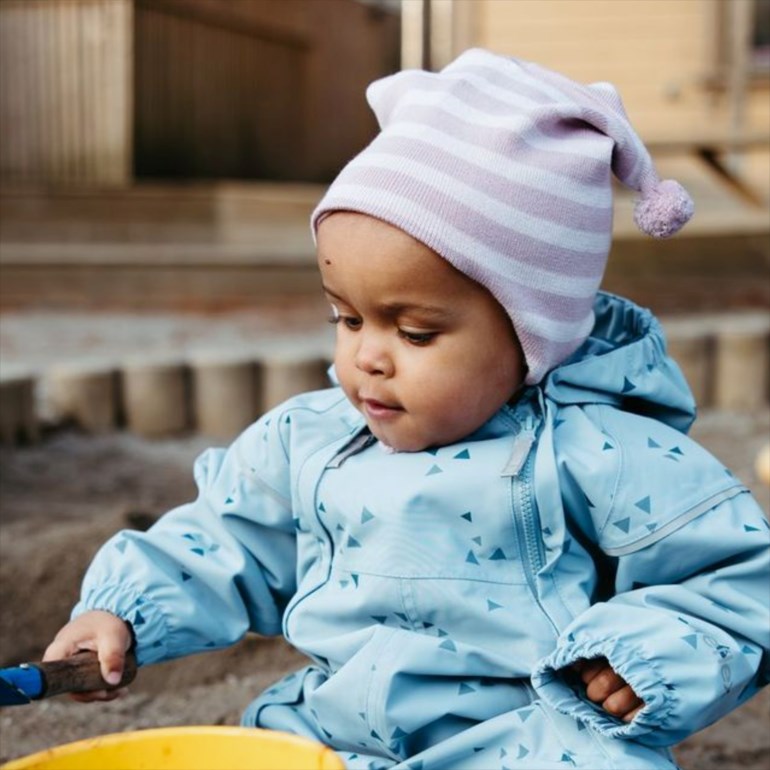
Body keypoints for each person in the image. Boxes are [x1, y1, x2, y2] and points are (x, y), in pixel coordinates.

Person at [44, 49, 769, 770]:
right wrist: (124, 612)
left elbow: (737, 580)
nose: (368, 357)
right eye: (347, 318)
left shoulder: (603, 451)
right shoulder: (313, 438)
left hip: (528, 737)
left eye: (414, 331)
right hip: (338, 731)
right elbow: (223, 537)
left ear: (531, 336)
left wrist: (644, 656)